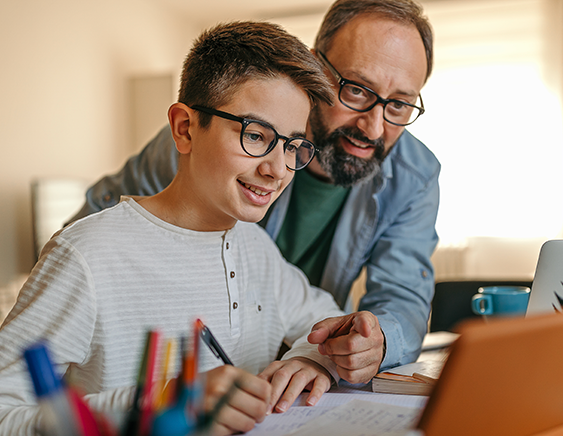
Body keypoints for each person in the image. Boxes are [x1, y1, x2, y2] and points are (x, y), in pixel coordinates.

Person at [0, 21, 354, 436]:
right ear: (185, 129)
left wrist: (312, 359)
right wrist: (160, 402)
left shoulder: (255, 247)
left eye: (292, 146)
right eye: (256, 135)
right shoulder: (87, 255)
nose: (277, 170)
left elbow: (328, 319)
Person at [72, 0, 439, 400]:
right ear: (316, 68)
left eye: (400, 104)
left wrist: (355, 347)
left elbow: (397, 299)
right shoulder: (208, 133)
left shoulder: (414, 175)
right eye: (356, 90)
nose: (374, 126)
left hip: (291, 378)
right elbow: (103, 232)